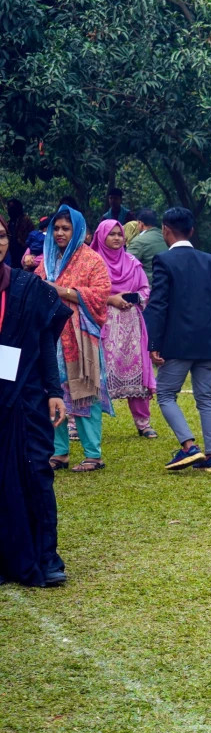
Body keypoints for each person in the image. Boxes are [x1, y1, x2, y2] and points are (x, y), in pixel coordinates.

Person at [0, 214, 73, 586]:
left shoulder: (27, 287)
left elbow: (45, 339)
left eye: (0, 236)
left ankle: (45, 557)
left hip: (26, 394)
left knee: (36, 472)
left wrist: (54, 391)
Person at [144, 207, 211, 472]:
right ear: (191, 230)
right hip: (208, 342)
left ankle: (189, 446)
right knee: (206, 399)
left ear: (165, 230)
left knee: (166, 394)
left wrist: (153, 343)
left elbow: (158, 304)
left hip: (177, 343)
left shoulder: (164, 260)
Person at [37, 205, 112, 472]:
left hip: (80, 337)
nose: (59, 233)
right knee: (52, 390)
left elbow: (101, 294)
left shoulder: (91, 260)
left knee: (84, 392)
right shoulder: (46, 260)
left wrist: (63, 291)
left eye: (66, 228)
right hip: (50, 336)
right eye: (56, 228)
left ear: (77, 230)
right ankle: (59, 452)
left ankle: (93, 455)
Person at [89, 217, 157, 439]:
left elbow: (145, 289)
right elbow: (84, 292)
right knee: (95, 372)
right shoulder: (92, 263)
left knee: (138, 372)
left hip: (131, 326)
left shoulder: (132, 262)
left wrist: (133, 298)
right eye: (112, 234)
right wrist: (111, 300)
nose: (117, 238)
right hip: (100, 325)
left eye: (120, 234)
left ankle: (143, 423)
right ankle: (79, 423)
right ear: (101, 236)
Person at [126, 208, 168, 275]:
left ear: (140, 223)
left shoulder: (138, 241)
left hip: (149, 280)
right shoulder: (165, 236)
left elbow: (127, 265)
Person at [6, 199, 34, 270]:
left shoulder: (25, 220)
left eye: (11, 208)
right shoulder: (9, 223)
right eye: (8, 208)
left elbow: (31, 236)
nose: (9, 210)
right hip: (12, 252)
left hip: (23, 250)